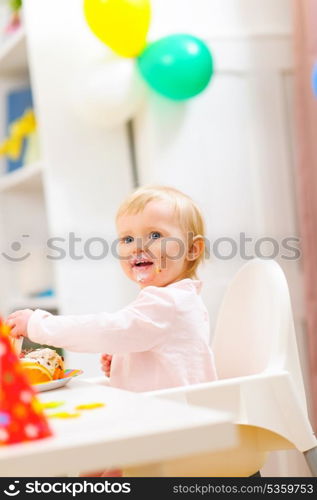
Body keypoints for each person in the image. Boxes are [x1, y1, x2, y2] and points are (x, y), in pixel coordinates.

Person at [8, 185, 217, 474]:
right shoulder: (168, 300)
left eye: (155, 235)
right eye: (127, 238)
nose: (137, 247)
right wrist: (126, 360)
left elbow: (105, 329)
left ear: (193, 249)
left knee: (98, 470)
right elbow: (152, 349)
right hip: (156, 420)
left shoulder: (169, 302)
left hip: (174, 432)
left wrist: (38, 324)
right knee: (90, 467)